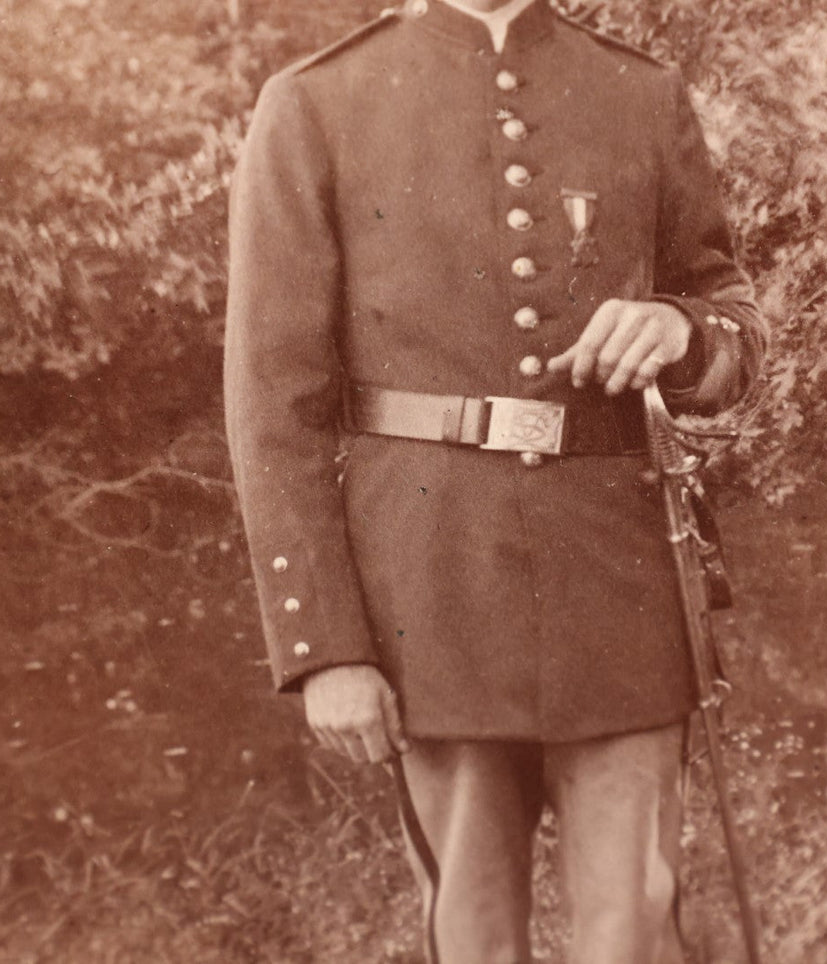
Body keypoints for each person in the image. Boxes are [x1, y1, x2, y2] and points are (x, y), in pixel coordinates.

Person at [224, 0, 767, 959]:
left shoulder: (640, 92)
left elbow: (730, 325)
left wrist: (682, 330)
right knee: (472, 938)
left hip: (619, 588)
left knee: (635, 934)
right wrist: (324, 648)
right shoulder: (315, 101)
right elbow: (274, 408)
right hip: (428, 595)